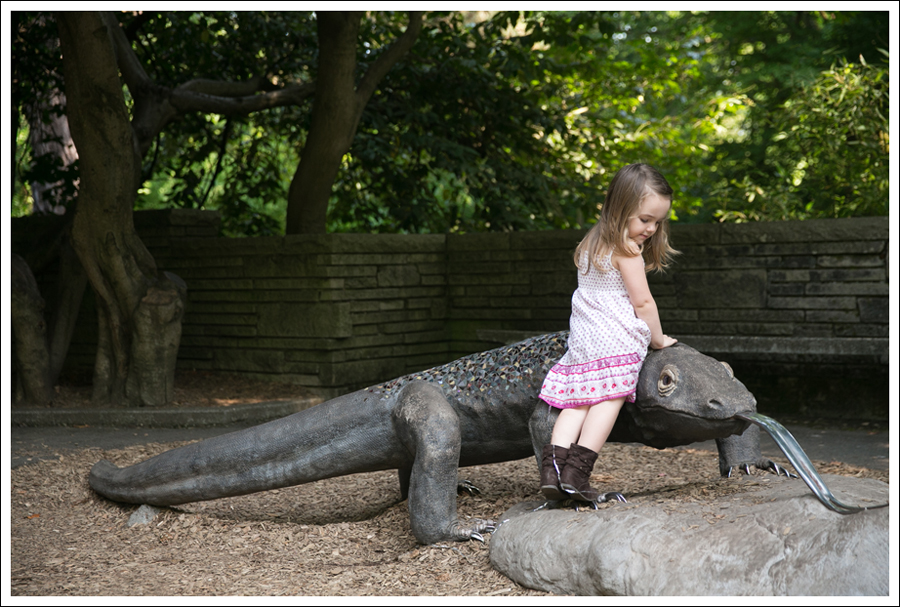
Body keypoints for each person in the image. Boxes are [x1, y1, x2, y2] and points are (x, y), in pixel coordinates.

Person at [539, 163, 679, 501]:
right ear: (620, 208)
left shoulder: (591, 242)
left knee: (575, 404)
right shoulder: (627, 250)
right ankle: (576, 474)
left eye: (658, 221)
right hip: (615, 340)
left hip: (585, 339)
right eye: (645, 219)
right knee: (607, 401)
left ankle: (552, 471)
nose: (651, 228)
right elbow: (643, 302)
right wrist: (658, 340)